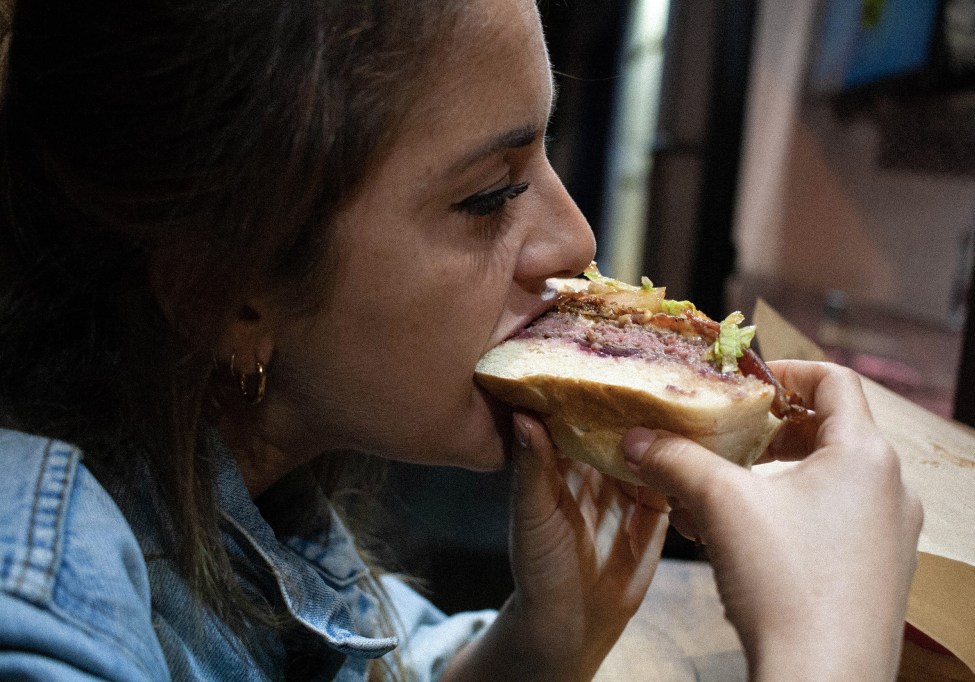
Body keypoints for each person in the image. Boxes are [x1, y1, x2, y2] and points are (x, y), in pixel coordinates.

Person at [0, 1, 921, 681]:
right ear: (225, 291)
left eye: (545, 153)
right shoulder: (40, 614)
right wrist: (830, 648)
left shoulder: (250, 499)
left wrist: (546, 639)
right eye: (489, 194)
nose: (578, 244)